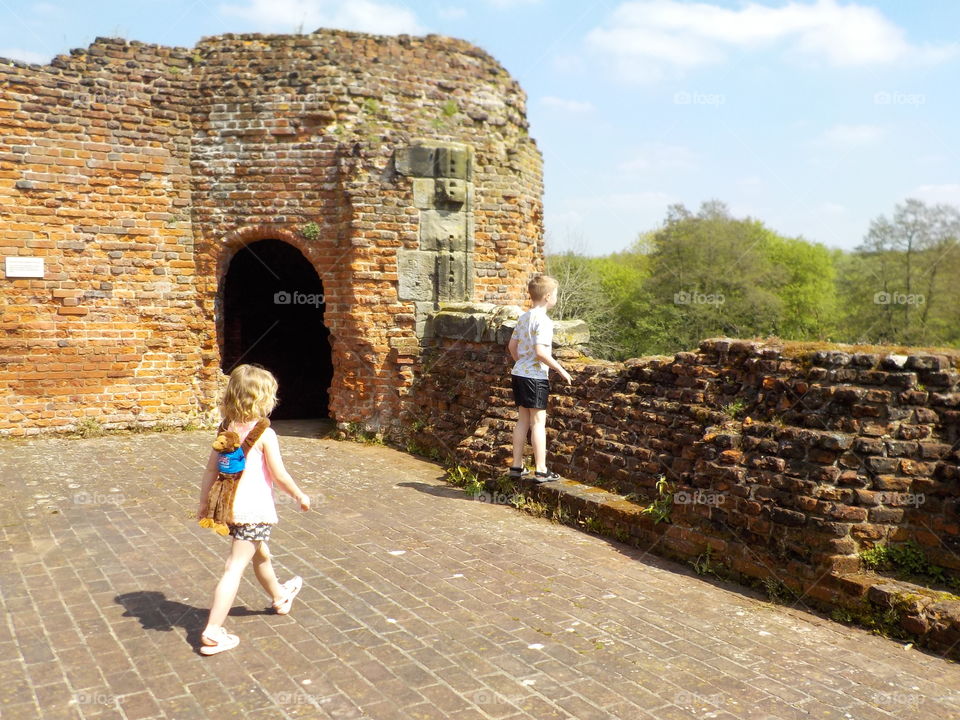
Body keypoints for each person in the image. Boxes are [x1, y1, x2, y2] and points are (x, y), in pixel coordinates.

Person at [196, 364, 311, 655]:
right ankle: (212, 631)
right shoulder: (265, 435)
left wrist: (203, 504)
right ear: (263, 399)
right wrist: (299, 495)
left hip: (229, 509)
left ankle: (279, 596)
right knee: (234, 567)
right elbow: (280, 475)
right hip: (253, 511)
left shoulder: (225, 429)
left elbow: (210, 470)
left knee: (261, 554)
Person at [508, 274, 572, 482]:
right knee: (537, 423)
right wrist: (561, 370)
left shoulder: (524, 317)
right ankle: (541, 469)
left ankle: (516, 467)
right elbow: (540, 352)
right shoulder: (544, 321)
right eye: (555, 294)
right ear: (546, 296)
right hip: (535, 378)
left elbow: (511, 347)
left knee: (522, 421)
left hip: (519, 374)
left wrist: (521, 364)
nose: (556, 298)